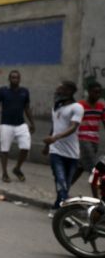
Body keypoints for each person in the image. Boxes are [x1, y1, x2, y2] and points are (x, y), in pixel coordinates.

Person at [43, 81, 84, 216]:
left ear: (69, 91)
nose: (57, 92)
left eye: (60, 89)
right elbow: (54, 128)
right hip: (56, 152)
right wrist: (48, 145)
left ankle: (56, 208)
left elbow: (73, 127)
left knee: (64, 184)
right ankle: (67, 214)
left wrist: (55, 138)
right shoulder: (56, 108)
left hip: (72, 153)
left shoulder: (77, 107)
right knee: (61, 182)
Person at [0, 70, 35, 182]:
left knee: (26, 147)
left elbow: (27, 108)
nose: (14, 79)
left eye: (16, 78)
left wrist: (32, 123)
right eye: (12, 77)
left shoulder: (24, 92)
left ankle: (17, 168)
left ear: (19, 79)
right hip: (6, 124)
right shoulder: (3, 91)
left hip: (21, 124)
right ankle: (5, 173)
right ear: (9, 79)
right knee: (5, 150)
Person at [73, 82, 105, 193]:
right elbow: (73, 123)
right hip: (83, 139)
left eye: (99, 93)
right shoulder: (80, 105)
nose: (97, 95)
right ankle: (97, 200)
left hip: (94, 141)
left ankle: (64, 187)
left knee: (80, 167)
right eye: (95, 92)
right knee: (95, 170)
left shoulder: (101, 106)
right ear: (89, 92)